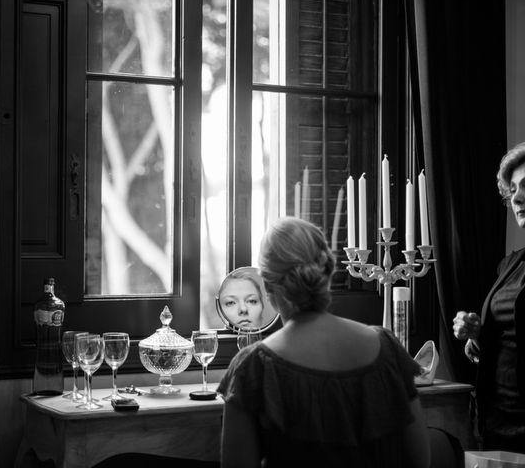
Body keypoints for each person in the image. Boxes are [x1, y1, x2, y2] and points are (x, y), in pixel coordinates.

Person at [217, 216, 430, 468]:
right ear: (327, 273)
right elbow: (420, 461)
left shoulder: (253, 367)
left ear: (267, 285)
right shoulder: (386, 347)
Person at [452, 142, 525, 453]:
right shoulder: (510, 265)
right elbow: (506, 342)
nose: (517, 197)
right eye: (512, 190)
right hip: (495, 427)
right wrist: (477, 334)